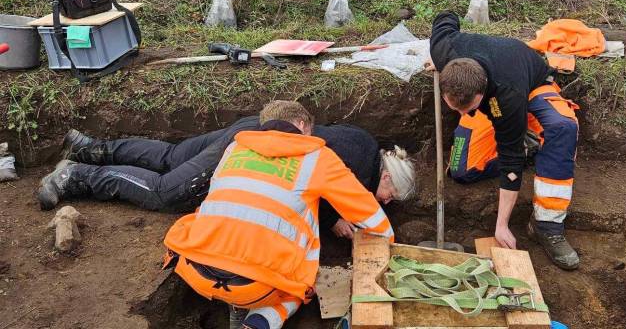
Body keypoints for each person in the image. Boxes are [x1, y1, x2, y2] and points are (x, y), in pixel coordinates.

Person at [162, 100, 394, 329]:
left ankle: (238, 308)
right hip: (253, 287)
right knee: (303, 285)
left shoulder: (234, 149)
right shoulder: (317, 157)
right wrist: (389, 248)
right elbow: (369, 214)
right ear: (302, 126)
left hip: (194, 267)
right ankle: (261, 322)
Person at [37, 117, 415, 240]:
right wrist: (335, 221)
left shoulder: (366, 143)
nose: (385, 201)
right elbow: (322, 185)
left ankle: (88, 147)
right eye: (389, 194)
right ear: (385, 173)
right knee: (166, 192)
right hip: (251, 149)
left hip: (254, 126)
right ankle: (77, 175)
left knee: (171, 156)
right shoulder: (358, 167)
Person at [428, 11, 580, 270]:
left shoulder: (506, 97)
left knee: (563, 127)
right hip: (489, 94)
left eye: (469, 108)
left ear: (482, 90)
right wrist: (437, 61)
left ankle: (547, 225)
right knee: (461, 169)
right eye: (457, 109)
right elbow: (446, 17)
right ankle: (531, 147)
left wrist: (501, 225)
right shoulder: (444, 49)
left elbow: (509, 161)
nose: (462, 115)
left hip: (530, 85)